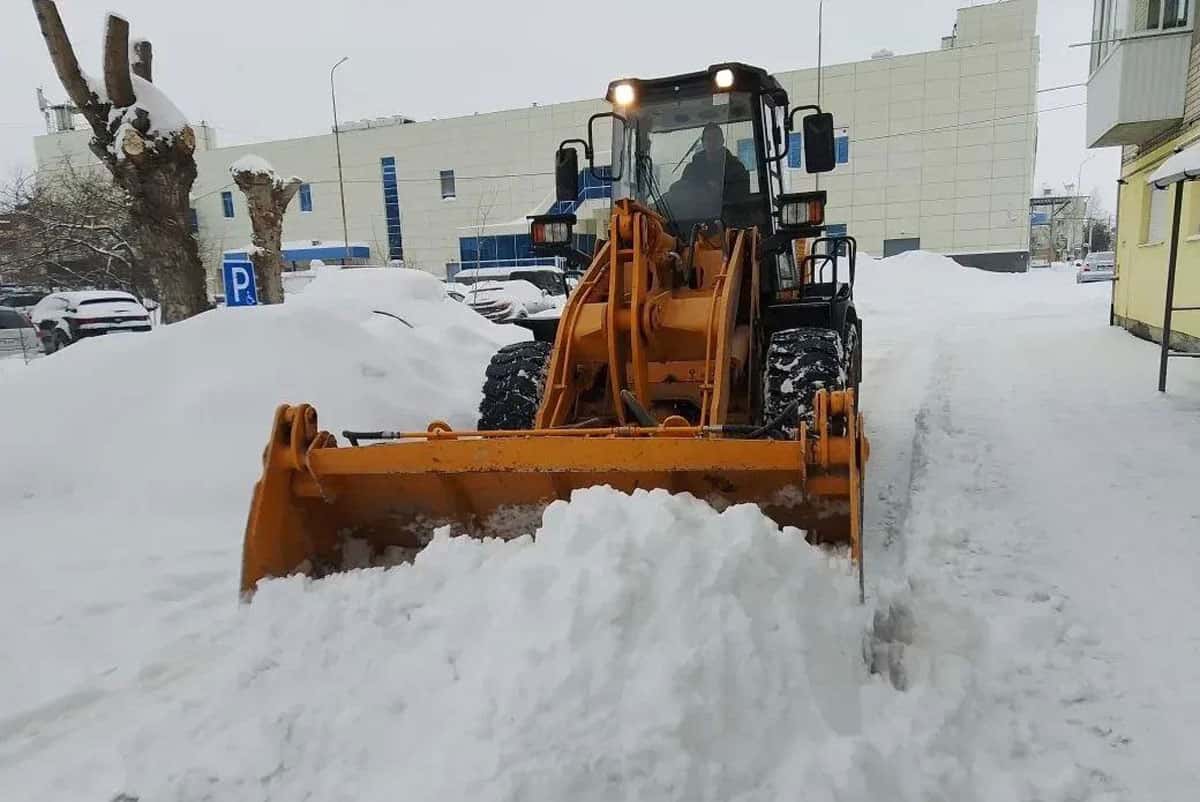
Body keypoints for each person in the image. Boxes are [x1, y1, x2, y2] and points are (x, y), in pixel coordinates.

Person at [678, 122, 751, 210]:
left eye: (716, 139)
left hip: (729, 216)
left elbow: (743, 197)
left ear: (722, 141)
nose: (712, 143)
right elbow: (682, 192)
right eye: (709, 139)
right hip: (697, 216)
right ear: (703, 142)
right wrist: (703, 190)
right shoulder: (691, 169)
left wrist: (721, 191)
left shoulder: (736, 168)